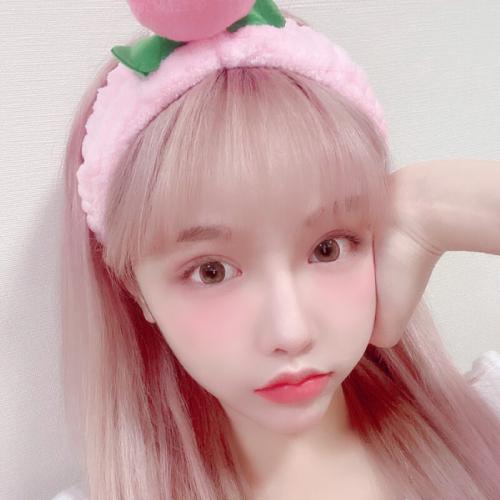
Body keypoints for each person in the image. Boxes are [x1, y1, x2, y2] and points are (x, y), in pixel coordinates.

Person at [53, 1, 500, 499]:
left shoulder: (487, 417)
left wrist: (434, 203)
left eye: (328, 248)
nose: (291, 333)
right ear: (136, 290)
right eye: (212, 271)